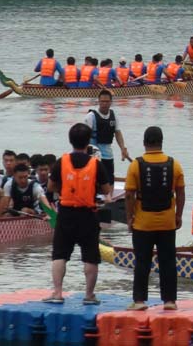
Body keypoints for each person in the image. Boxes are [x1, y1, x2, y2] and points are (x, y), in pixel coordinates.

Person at [45, 123, 112, 305]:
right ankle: (89, 295)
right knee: (90, 256)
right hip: (88, 214)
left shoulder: (62, 162)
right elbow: (107, 190)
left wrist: (65, 188)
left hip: (66, 213)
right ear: (88, 142)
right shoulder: (95, 164)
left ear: (70, 140)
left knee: (60, 254)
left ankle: (57, 293)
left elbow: (51, 187)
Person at [124, 126, 186, 311]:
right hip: (167, 223)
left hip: (143, 224)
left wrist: (129, 217)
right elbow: (181, 193)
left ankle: (140, 301)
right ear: (161, 142)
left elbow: (129, 195)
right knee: (168, 262)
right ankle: (169, 301)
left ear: (144, 143)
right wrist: (179, 215)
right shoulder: (174, 164)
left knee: (142, 262)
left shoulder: (136, 165)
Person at [83, 90, 131, 184]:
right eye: (102, 101)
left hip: (107, 154)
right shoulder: (90, 117)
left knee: (110, 179)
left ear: (111, 102)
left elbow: (117, 132)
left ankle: (109, 192)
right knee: (94, 180)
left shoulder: (114, 115)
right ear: (99, 101)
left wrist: (123, 148)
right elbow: (83, 136)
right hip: (93, 154)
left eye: (107, 101)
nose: (104, 104)